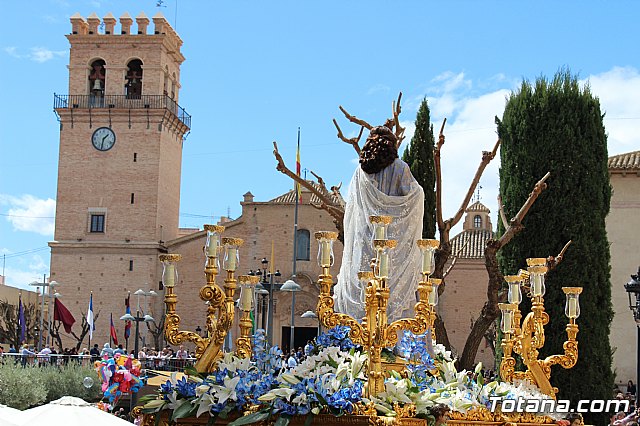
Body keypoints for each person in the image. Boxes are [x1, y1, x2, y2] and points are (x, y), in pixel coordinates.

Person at [335, 125, 424, 322]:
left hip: (365, 241)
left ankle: (360, 337)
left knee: (364, 289)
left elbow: (355, 208)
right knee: (392, 289)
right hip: (392, 244)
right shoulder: (400, 167)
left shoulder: (360, 172)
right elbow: (415, 195)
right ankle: (394, 340)